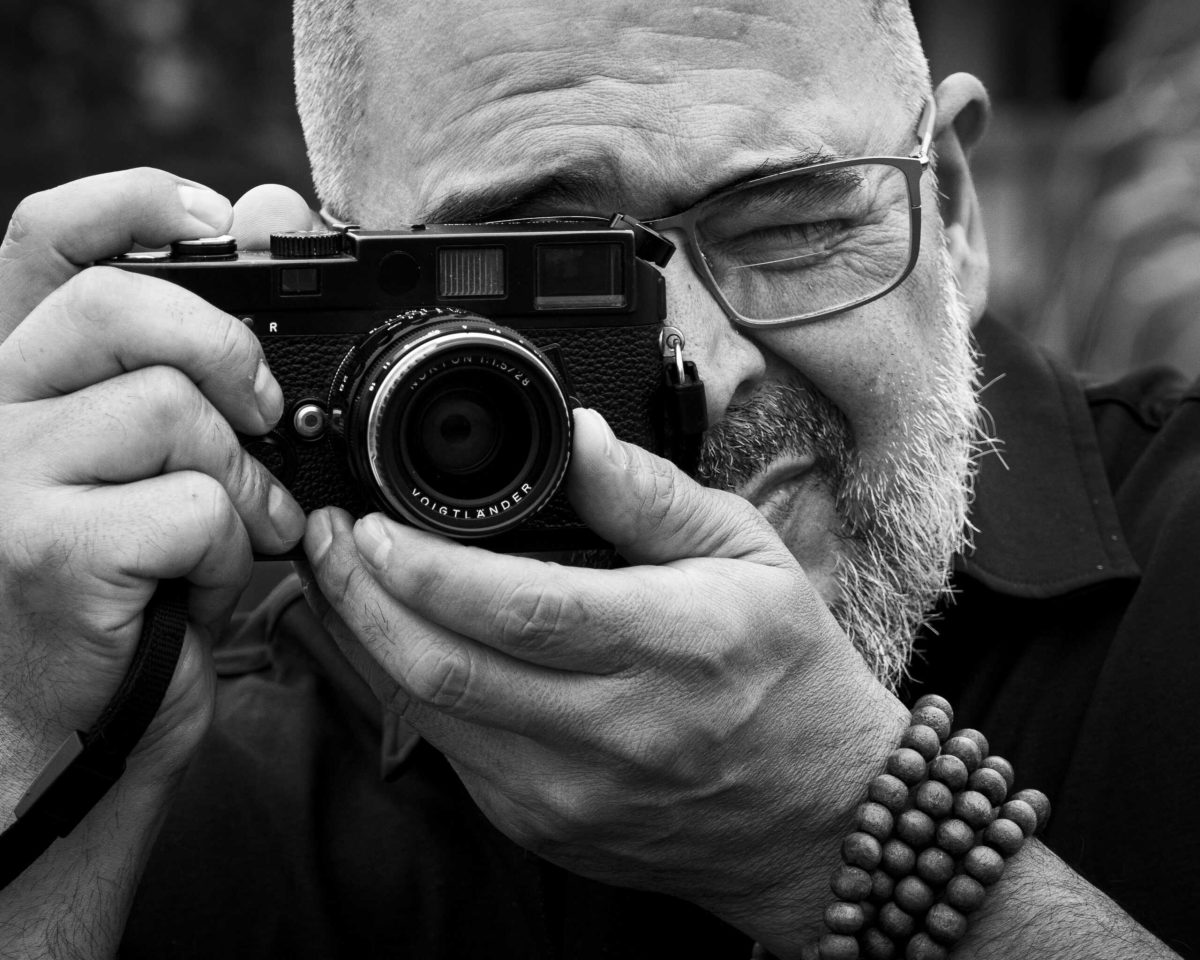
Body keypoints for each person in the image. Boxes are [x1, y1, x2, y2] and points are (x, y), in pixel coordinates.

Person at [0, 0, 1194, 957]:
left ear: (954, 211)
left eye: (788, 227)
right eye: (540, 273)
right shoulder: (203, 736)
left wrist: (832, 827)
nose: (701, 371)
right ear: (340, 297)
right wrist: (45, 750)